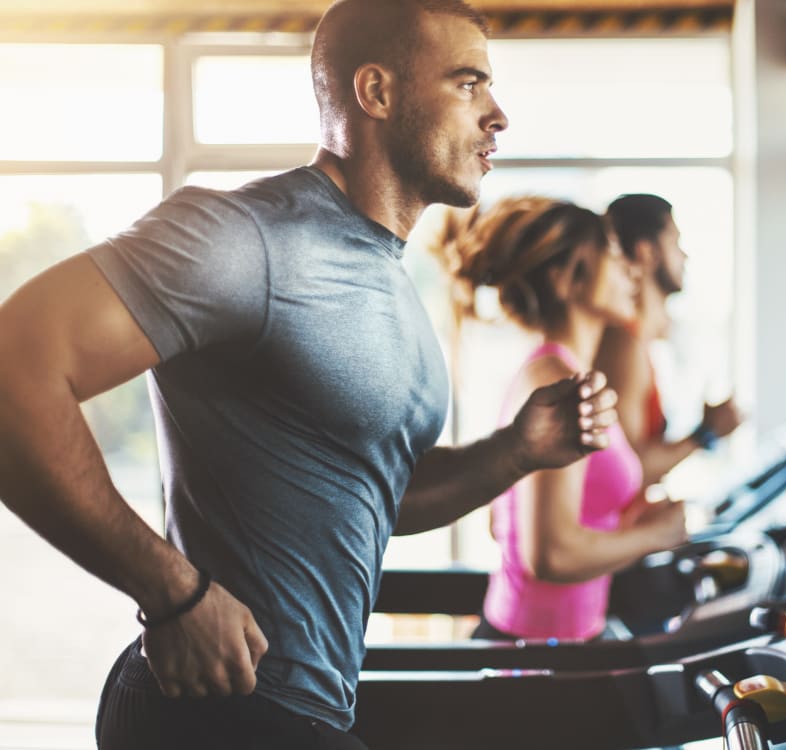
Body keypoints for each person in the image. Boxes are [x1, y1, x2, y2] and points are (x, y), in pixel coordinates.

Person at [0, 2, 621, 748]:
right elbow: (15, 366)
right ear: (377, 93)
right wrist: (171, 594)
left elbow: (379, 494)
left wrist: (515, 451)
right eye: (468, 84)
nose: (498, 116)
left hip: (303, 711)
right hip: (216, 710)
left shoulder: (395, 286)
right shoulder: (248, 238)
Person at [434, 196, 688, 642]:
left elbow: (511, 523)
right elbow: (549, 555)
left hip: (567, 642)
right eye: (611, 254)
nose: (630, 271)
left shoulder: (567, 373)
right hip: (533, 656)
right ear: (566, 279)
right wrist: (657, 535)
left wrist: (627, 526)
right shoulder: (555, 382)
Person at [595, 193, 743, 487]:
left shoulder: (642, 341)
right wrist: (706, 433)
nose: (684, 256)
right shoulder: (623, 344)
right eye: (675, 242)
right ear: (647, 251)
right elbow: (628, 472)